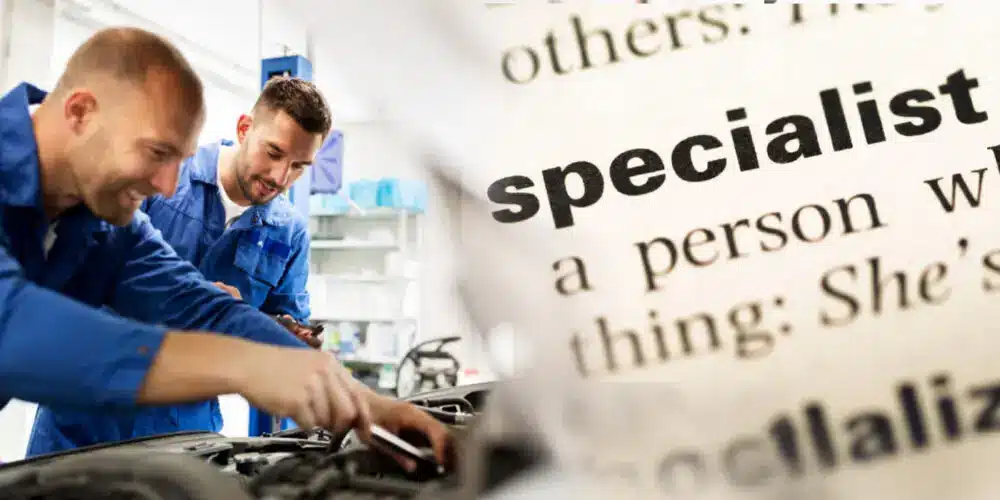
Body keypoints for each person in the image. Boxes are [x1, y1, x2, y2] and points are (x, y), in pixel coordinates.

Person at [5, 27, 450, 465]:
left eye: (179, 159)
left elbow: (204, 306)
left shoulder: (103, 221)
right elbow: (15, 328)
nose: (166, 186)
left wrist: (363, 402)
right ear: (81, 112)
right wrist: (242, 366)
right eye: (157, 153)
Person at [134, 77, 330, 438]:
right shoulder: (162, 173)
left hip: (187, 426)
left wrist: (290, 340)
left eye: (299, 166)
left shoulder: (288, 232)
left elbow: (281, 341)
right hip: (92, 413)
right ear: (244, 129)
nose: (280, 177)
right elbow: (88, 278)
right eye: (273, 153)